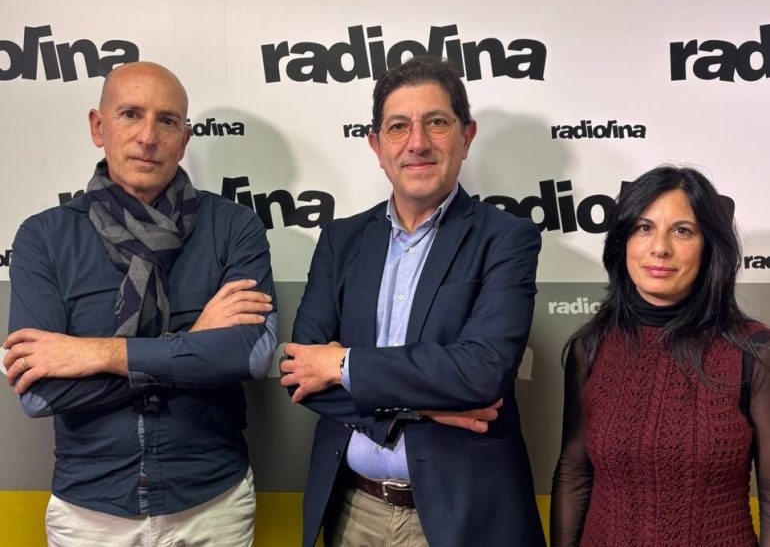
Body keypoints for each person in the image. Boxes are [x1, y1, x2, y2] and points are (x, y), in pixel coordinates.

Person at [3, 62, 277, 547]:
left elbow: (249, 356)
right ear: (98, 127)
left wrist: (97, 354)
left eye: (167, 121)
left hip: (212, 506)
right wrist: (193, 345)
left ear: (184, 139)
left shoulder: (234, 227)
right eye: (130, 114)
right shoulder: (43, 237)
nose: (148, 137)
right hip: (90, 515)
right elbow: (40, 394)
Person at [279, 55, 545, 547]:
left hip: (462, 516)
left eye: (436, 123)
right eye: (398, 126)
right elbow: (301, 370)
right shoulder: (341, 240)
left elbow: (482, 372)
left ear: (466, 136)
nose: (417, 143)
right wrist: (425, 410)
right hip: (351, 510)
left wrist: (343, 365)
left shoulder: (507, 239)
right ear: (376, 146)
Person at [550, 165, 770, 547]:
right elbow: (574, 473)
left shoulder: (753, 351)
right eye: (643, 227)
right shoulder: (592, 347)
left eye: (682, 230)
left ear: (709, 246)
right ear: (623, 241)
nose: (659, 248)